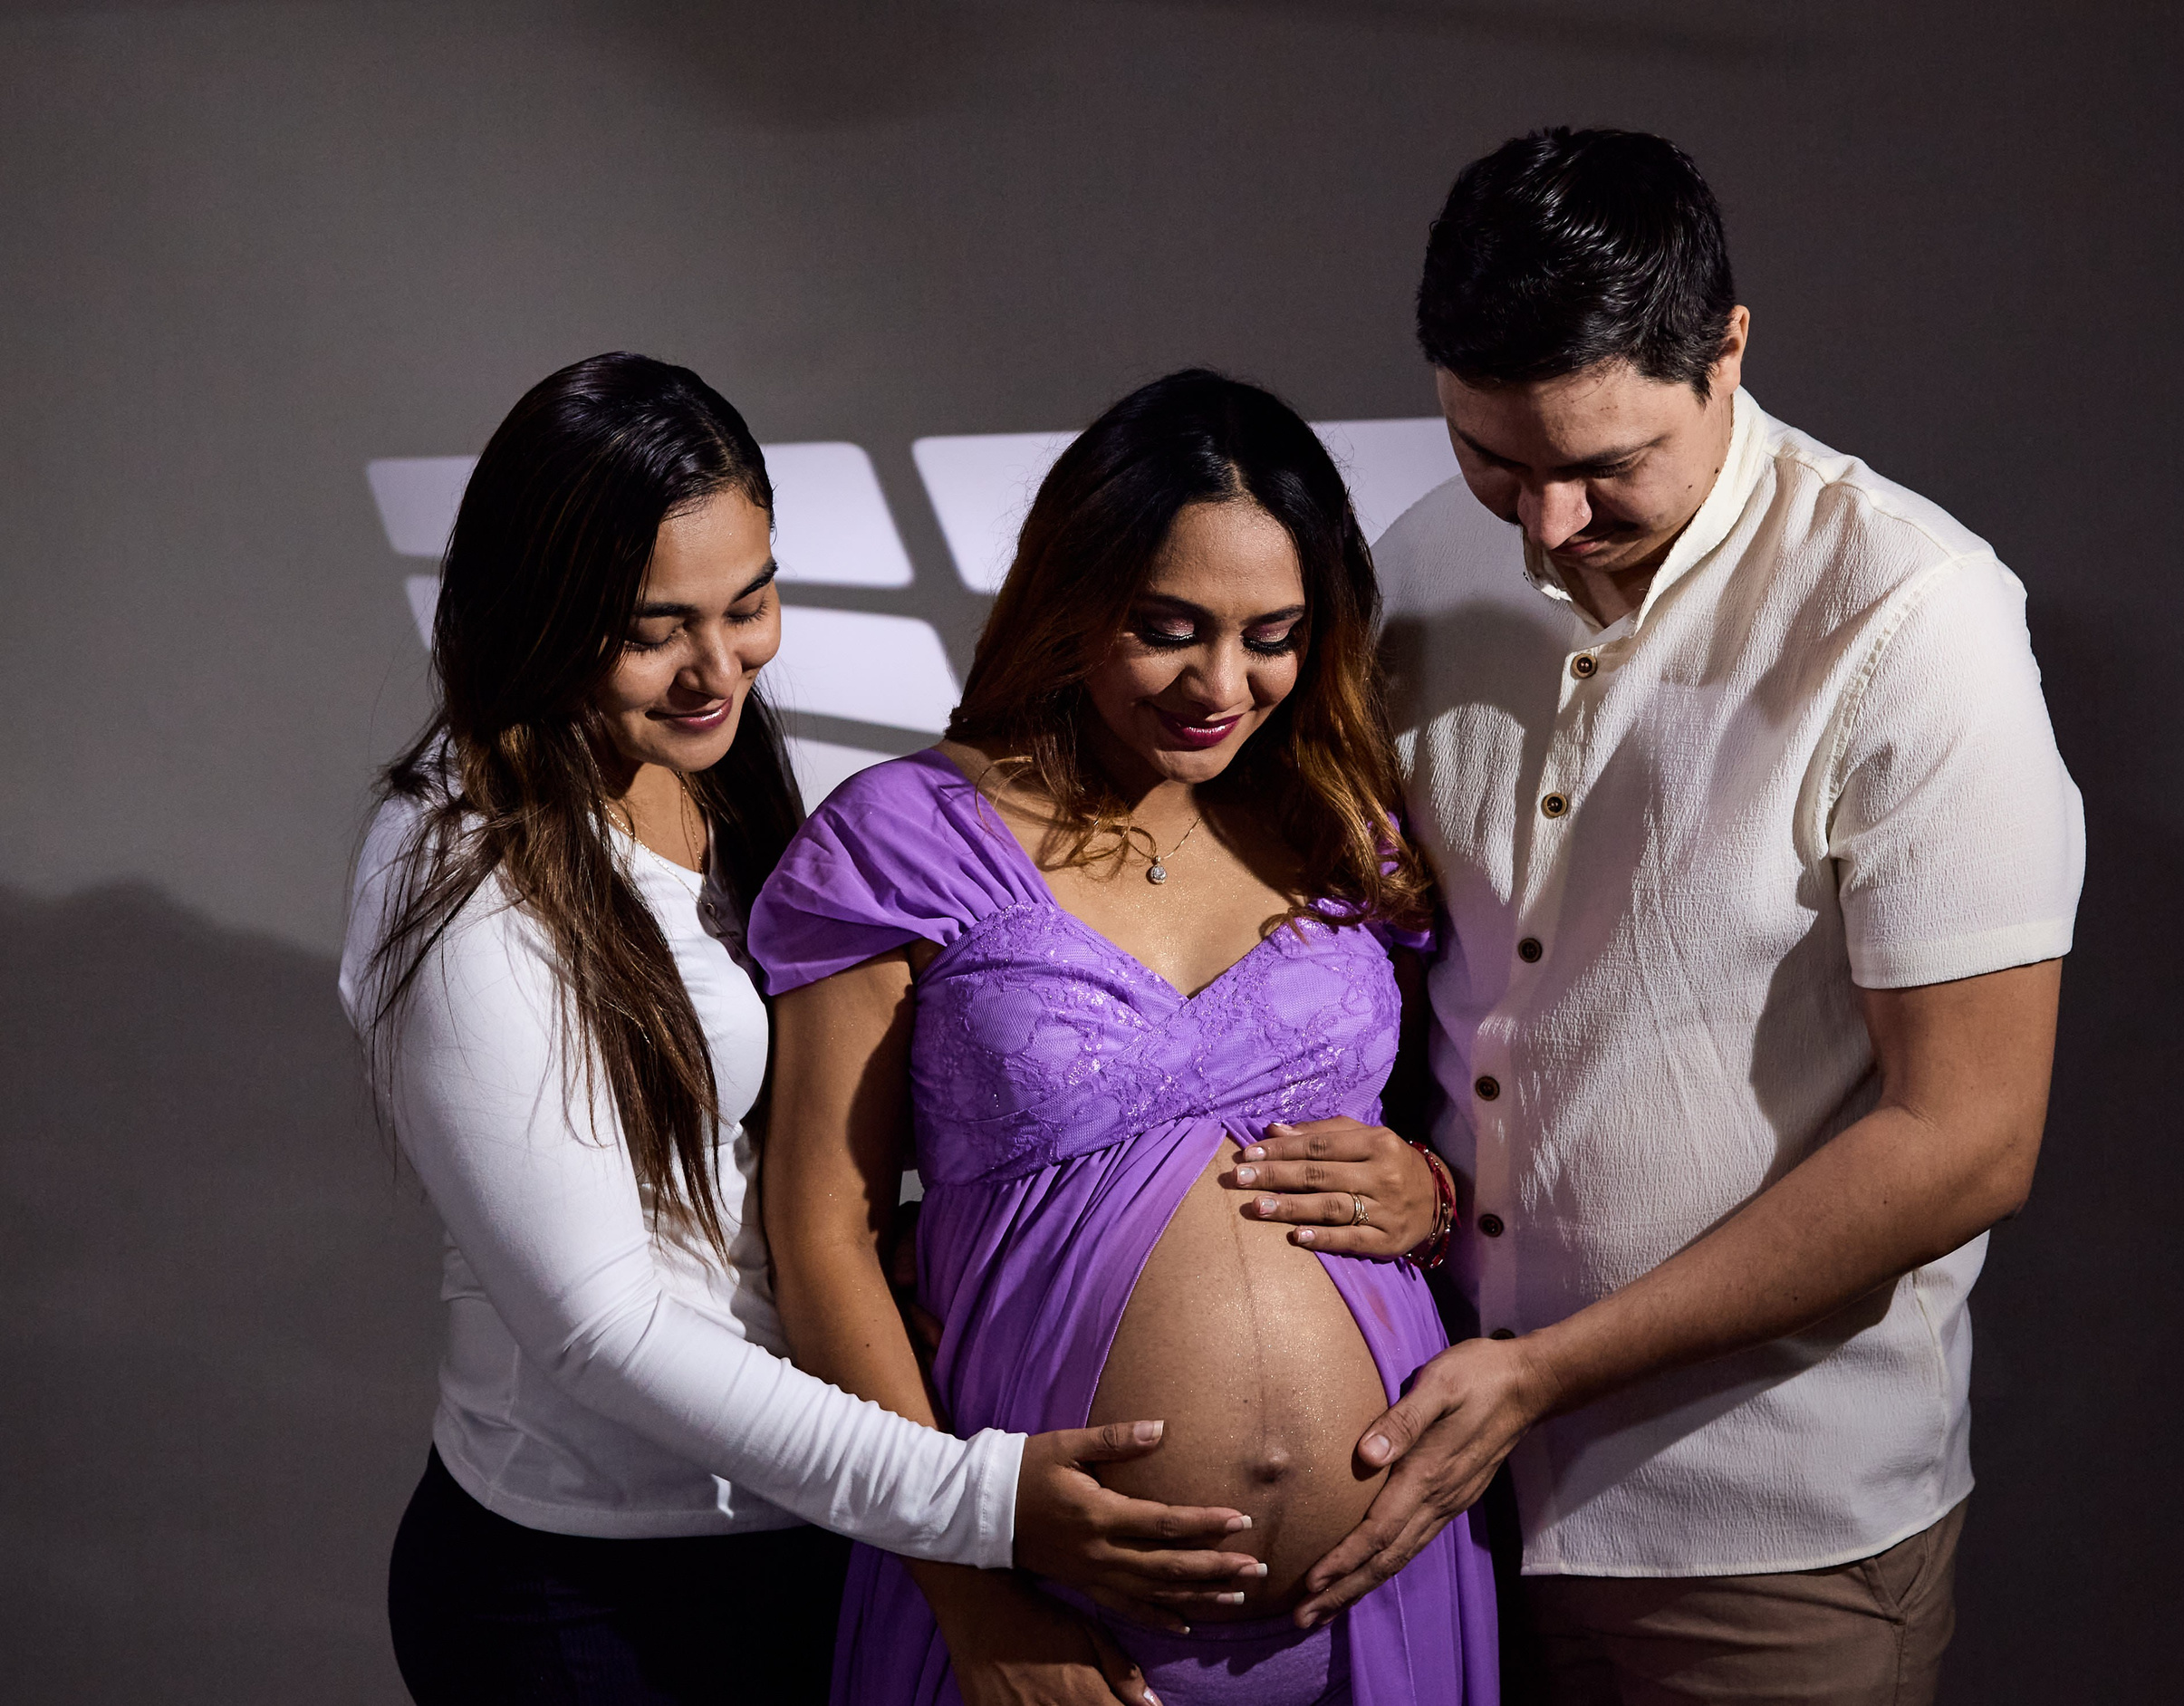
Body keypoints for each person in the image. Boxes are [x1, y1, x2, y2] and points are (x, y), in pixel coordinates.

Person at [1235, 129, 2084, 1702]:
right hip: (1438, 1498)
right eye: (1494, 455)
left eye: (1601, 466)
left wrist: (1542, 1375)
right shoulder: (1417, 562)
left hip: (1768, 1537)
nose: (1544, 519)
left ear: (1729, 354)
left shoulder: (1911, 613)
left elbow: (1971, 1136)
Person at [342, 352, 1265, 1705]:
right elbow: (600, 1329)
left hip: (802, 1537)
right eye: (657, 628)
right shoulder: (460, 873)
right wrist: (976, 1507)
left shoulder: (710, 778)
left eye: (751, 603)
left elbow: (767, 1172)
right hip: (589, 1594)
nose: (721, 667)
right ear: (537, 612)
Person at [746, 369, 1497, 1706]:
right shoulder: (902, 839)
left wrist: (1433, 1196)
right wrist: (972, 1593)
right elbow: (820, 1240)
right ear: (1074, 597)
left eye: (1273, 634)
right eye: (1169, 627)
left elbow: (1446, 1126)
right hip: (1040, 1615)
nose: (1223, 683)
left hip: (1381, 1599)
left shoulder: (1343, 832)